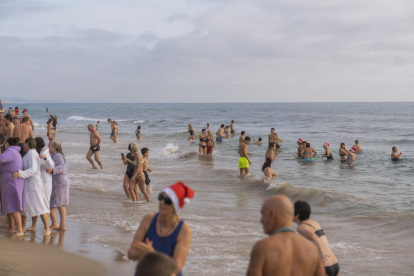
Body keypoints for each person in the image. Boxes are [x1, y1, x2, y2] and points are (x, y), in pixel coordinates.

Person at [128, 182, 195, 276]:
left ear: (175, 206)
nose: (162, 202)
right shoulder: (148, 219)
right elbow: (130, 253)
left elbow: (175, 269)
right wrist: (139, 253)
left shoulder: (184, 231)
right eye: (160, 197)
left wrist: (152, 255)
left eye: (167, 200)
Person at [247, 195, 324, 276]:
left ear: (273, 214)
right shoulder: (312, 249)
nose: (261, 220)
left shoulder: (263, 247)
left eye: (263, 214)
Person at [13, 138, 51, 236]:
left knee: (40, 205)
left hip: (34, 183)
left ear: (27, 144)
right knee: (25, 205)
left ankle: (47, 228)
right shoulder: (29, 154)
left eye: (24, 144)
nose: (23, 146)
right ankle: (23, 227)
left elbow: (33, 170)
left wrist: (20, 174)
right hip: (28, 183)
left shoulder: (32, 154)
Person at [294, 201, 340, 276]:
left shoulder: (301, 227)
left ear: (297, 215)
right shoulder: (314, 223)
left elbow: (314, 236)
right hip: (334, 263)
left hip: (324, 266)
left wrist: (321, 252)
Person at [0, 137, 25, 236]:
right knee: (8, 205)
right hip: (8, 180)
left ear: (8, 144)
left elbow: (1, 159)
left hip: (11, 181)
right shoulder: (13, 151)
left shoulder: (11, 151)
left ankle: (19, 230)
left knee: (13, 205)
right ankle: (11, 228)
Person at [49, 141, 70, 231]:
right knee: (55, 204)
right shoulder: (55, 155)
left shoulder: (58, 156)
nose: (48, 147)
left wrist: (51, 170)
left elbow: (62, 167)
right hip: (58, 182)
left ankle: (59, 224)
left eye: (49, 146)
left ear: (55, 148)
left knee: (57, 204)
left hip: (60, 182)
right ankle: (58, 224)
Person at [35, 137, 55, 232]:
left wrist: (46, 158)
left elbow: (51, 165)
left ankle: (47, 228)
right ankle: (44, 227)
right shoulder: (40, 152)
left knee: (45, 205)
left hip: (46, 182)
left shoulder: (46, 153)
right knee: (41, 204)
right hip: (41, 182)